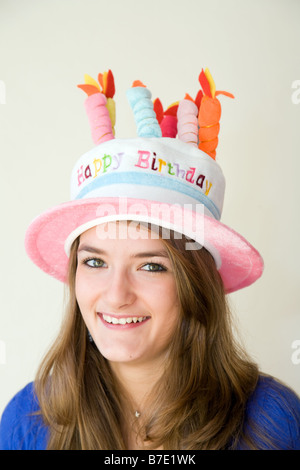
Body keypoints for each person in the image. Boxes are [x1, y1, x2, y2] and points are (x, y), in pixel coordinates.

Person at [0, 70, 299, 450]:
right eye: (95, 262)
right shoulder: (26, 421)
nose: (116, 295)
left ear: (196, 286)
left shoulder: (273, 423)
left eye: (151, 266)